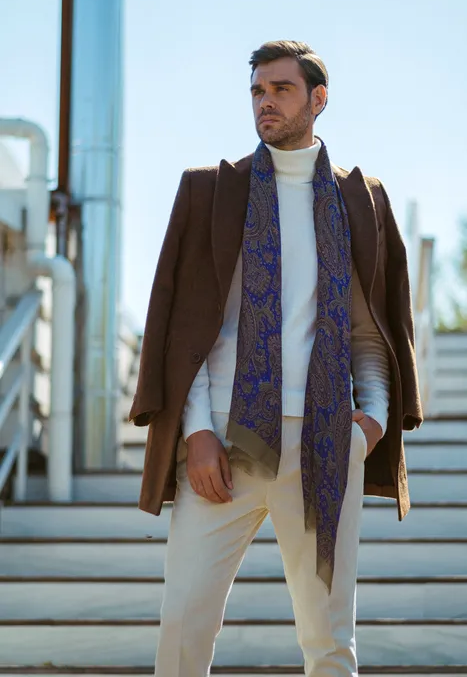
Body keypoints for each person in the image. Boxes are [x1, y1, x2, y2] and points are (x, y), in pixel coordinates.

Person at [129, 40, 423, 677]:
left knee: (329, 640)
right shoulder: (212, 191)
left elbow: (369, 329)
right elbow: (188, 328)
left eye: (281, 89)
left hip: (325, 441)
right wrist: (197, 430)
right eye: (258, 91)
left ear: (319, 99)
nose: (266, 102)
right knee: (183, 626)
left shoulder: (360, 199)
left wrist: (369, 422)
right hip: (224, 441)